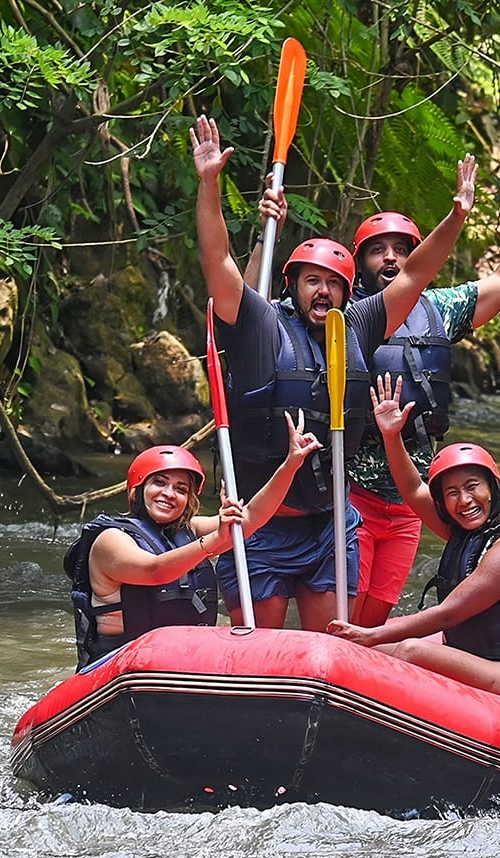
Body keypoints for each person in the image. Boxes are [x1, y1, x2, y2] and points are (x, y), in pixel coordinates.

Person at [253, 152, 500, 627]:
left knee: (375, 621)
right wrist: (263, 236)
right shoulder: (333, 315)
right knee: (342, 618)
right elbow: (250, 317)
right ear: (358, 264)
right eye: (378, 250)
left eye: (402, 248)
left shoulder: (438, 308)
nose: (391, 258)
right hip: (347, 493)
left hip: (413, 497)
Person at [190, 114, 474, 630]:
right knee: (262, 650)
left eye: (333, 284)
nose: (323, 292)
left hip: (329, 524)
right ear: (293, 286)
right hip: (261, 526)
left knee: (332, 648)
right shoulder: (260, 326)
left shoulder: (357, 326)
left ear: (348, 291)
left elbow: (415, 274)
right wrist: (209, 184)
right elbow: (217, 262)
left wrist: (455, 216)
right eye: (311, 281)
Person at [325, 375, 500, 707]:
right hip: (477, 659)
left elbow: (448, 614)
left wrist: (369, 633)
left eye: (472, 487)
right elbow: (412, 490)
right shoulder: (465, 533)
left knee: (408, 649)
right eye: (452, 493)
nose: (464, 500)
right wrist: (391, 436)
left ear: (494, 489)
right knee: (364, 652)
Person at [65, 413, 321, 666]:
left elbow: (252, 517)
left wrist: (291, 464)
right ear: (138, 489)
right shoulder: (110, 539)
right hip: (120, 664)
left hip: (177, 661)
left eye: (181, 489)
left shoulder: (188, 530)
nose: (169, 493)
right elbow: (154, 570)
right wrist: (213, 541)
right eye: (160, 483)